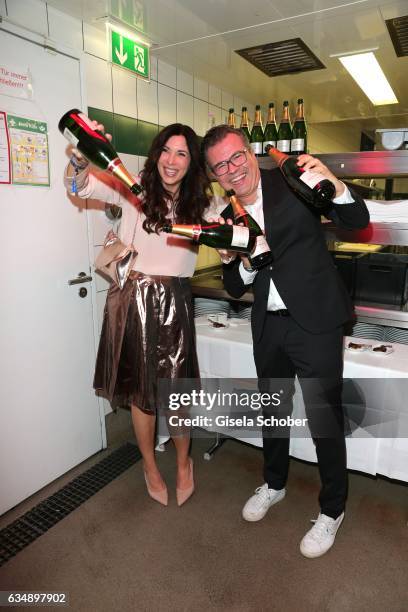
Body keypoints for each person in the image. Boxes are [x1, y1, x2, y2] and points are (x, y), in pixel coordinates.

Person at [202, 125, 369, 558]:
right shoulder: (226, 216)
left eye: (236, 157)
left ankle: (333, 509)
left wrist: (335, 184)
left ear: (249, 152)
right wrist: (233, 260)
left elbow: (356, 221)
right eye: (221, 165)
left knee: (323, 417)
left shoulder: (292, 179)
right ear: (215, 174)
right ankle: (274, 484)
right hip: (270, 325)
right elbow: (236, 286)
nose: (232, 169)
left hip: (315, 320)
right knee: (273, 410)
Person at [64, 123, 210, 507]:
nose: (172, 160)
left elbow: (233, 237)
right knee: (142, 395)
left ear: (192, 161)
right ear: (156, 153)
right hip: (133, 299)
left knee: (176, 394)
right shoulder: (132, 186)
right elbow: (79, 187)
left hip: (175, 300)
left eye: (182, 153)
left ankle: (183, 462)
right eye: (166, 150)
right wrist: (80, 157)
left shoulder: (202, 202)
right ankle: (149, 464)